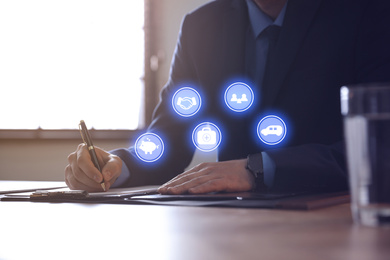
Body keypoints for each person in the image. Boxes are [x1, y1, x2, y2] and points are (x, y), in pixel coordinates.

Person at [65, 0, 390, 194]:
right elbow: (170, 139)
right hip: (230, 227)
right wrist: (117, 166)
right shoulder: (200, 27)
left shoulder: (367, 13)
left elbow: (378, 149)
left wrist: (258, 169)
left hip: (336, 223)